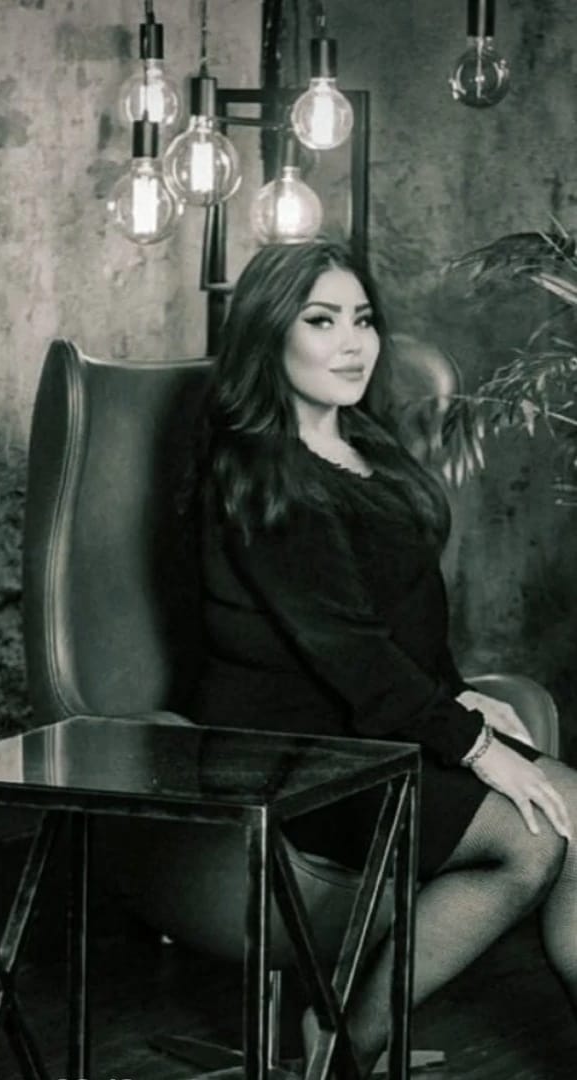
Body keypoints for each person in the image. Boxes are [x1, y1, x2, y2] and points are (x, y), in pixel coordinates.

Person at [188, 238, 577, 1077]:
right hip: (295, 756)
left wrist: (456, 695)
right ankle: (342, 1045)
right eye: (320, 321)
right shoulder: (264, 473)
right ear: (267, 335)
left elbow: (400, 615)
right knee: (530, 838)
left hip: (371, 727)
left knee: (573, 813)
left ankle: (335, 1037)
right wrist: (471, 745)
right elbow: (350, 648)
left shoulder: (365, 446)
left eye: (361, 320)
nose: (352, 344)